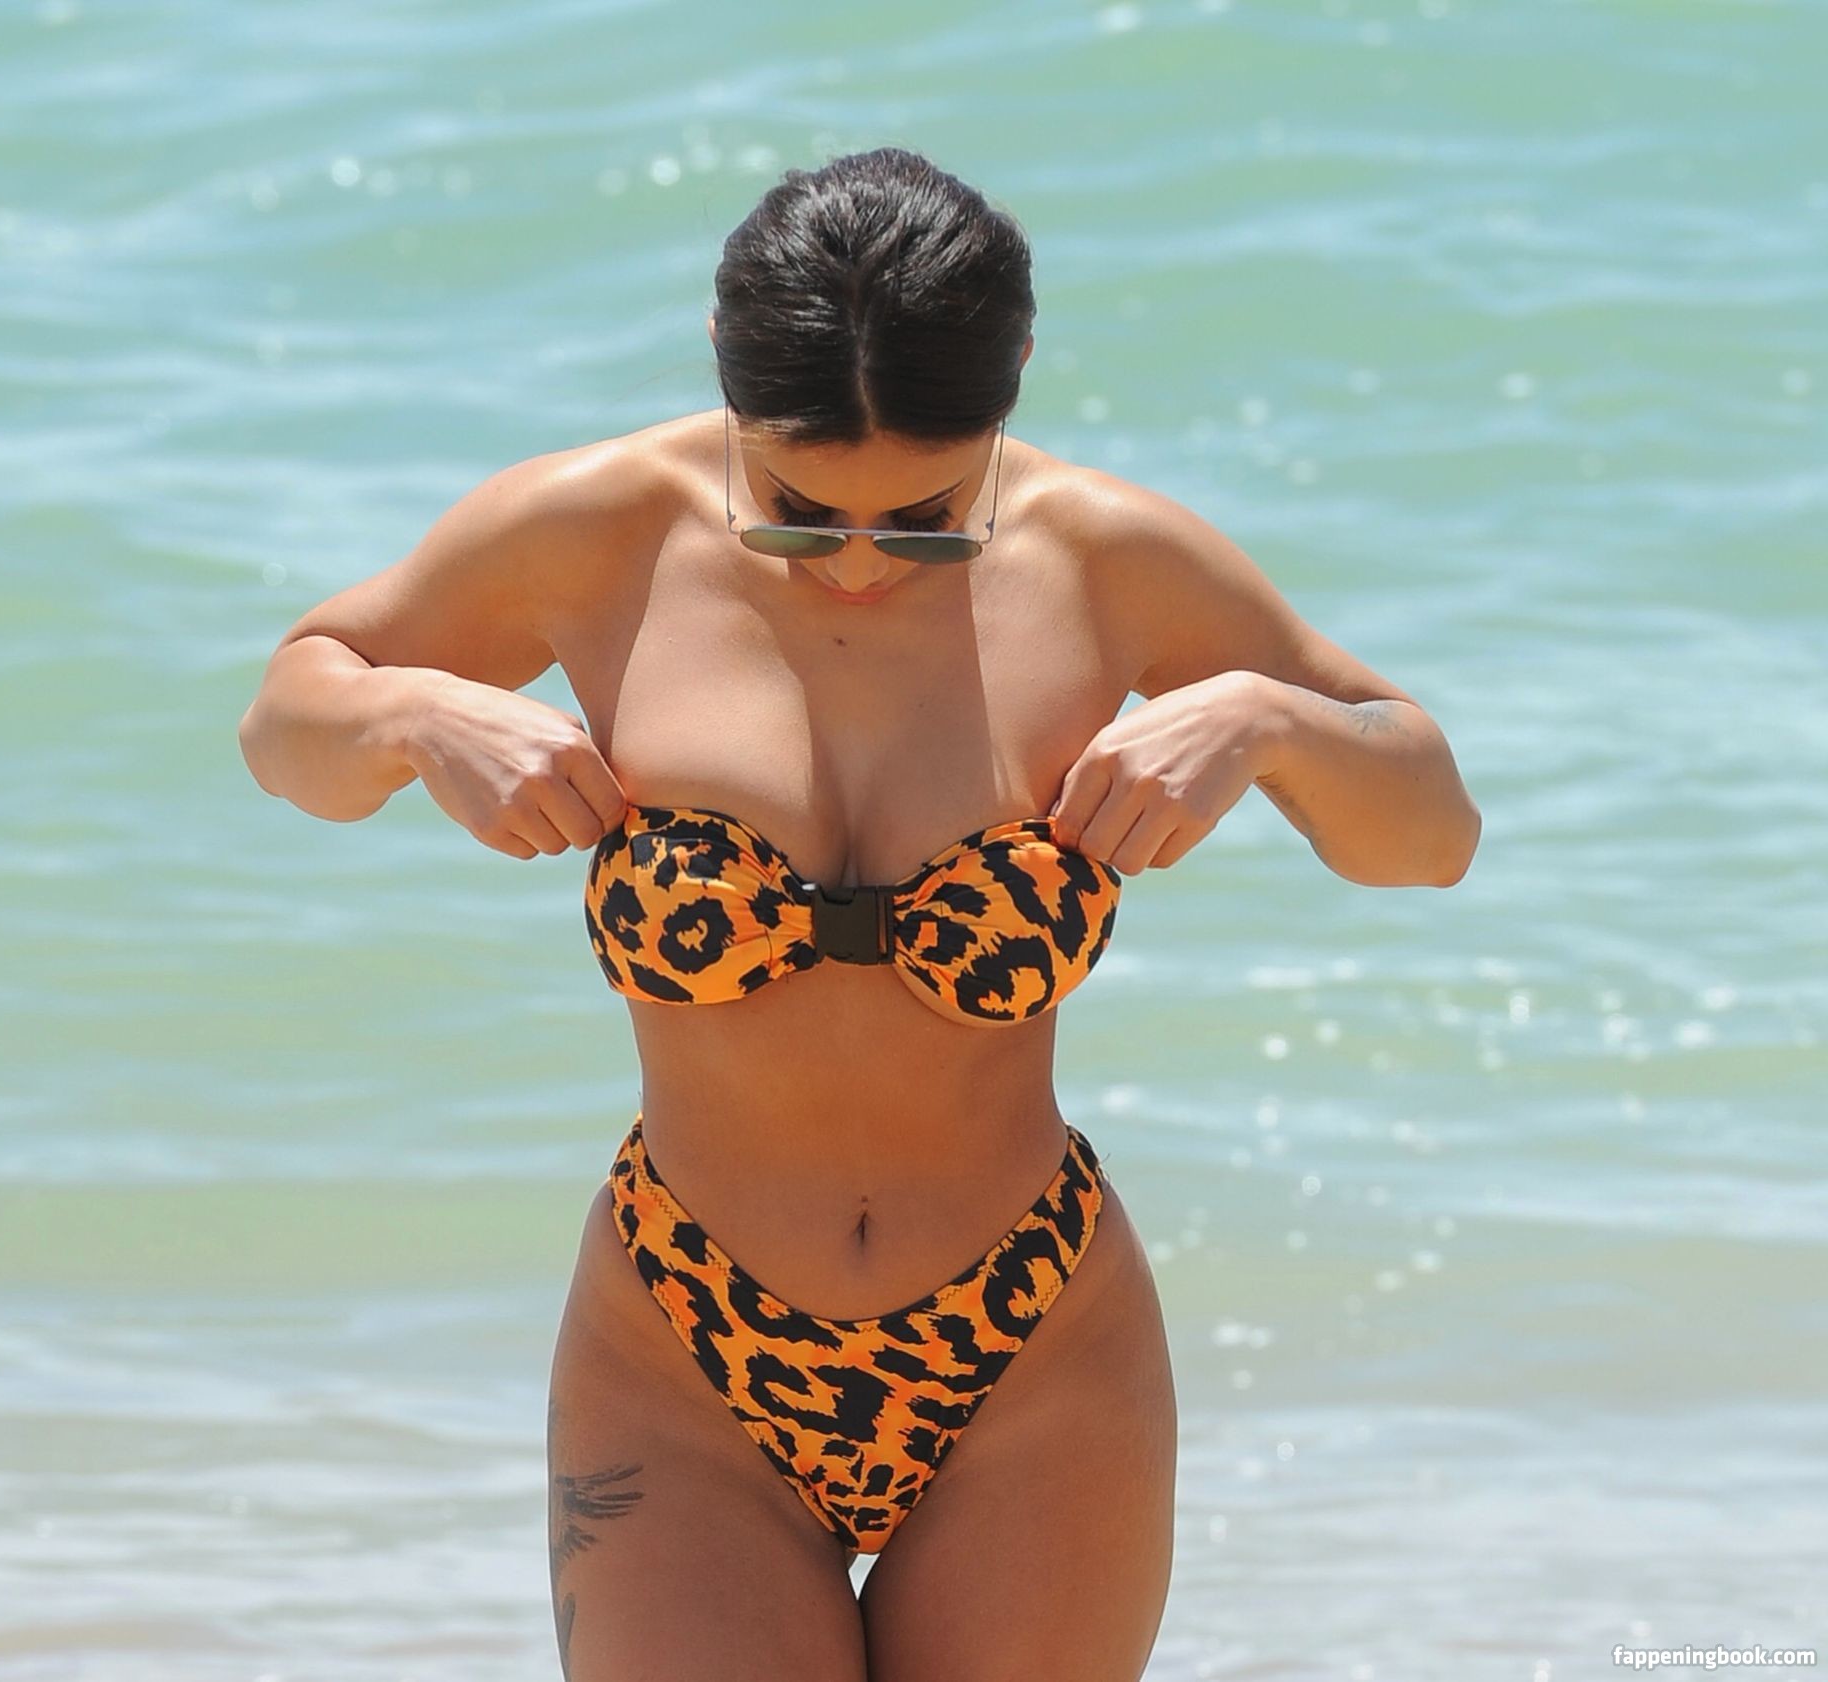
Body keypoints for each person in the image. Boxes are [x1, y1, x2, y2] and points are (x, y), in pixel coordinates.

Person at [237, 145, 1480, 1681]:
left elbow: (1431, 832)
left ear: (1014, 378)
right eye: (798, 513)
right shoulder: (598, 529)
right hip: (682, 1348)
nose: (860, 566)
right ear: (724, 365)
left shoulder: (1111, 560)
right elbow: (288, 718)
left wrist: (1267, 724)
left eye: (929, 519)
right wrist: (415, 717)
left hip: (1034, 1345)